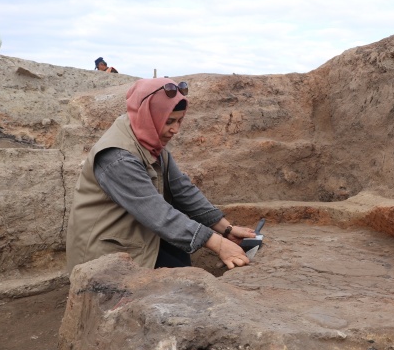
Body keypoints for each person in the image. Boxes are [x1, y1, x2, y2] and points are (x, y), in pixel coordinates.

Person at [66, 77, 256, 272]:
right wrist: (218, 244)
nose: (175, 129)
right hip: (105, 249)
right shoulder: (117, 157)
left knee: (180, 258)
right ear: (150, 116)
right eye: (169, 121)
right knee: (178, 280)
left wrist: (227, 230)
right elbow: (155, 212)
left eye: (179, 120)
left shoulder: (148, 139)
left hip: (134, 233)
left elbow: (182, 189)